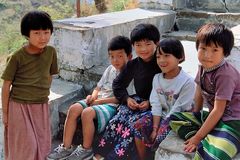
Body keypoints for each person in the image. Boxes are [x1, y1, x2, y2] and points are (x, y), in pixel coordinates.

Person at [47, 35, 133, 160]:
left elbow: (121, 98)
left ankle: (86, 149)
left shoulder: (129, 74)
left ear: (129, 56)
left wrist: (99, 102)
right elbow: (98, 87)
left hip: (113, 105)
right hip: (98, 100)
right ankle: (66, 147)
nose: (115, 60)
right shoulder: (110, 69)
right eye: (112, 56)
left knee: (87, 112)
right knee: (74, 108)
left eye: (120, 56)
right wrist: (92, 97)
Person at [169, 23, 240, 160]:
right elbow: (199, 91)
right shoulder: (203, 68)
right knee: (174, 119)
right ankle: (212, 135)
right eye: (203, 48)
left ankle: (223, 139)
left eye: (215, 50)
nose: (207, 55)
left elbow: (219, 110)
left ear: (224, 52)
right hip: (215, 117)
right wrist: (197, 114)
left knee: (213, 156)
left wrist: (197, 137)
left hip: (233, 121)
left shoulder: (225, 74)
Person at [94, 23, 161, 160]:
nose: (143, 49)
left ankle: (116, 156)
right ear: (133, 46)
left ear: (157, 43)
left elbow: (167, 89)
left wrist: (150, 102)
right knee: (117, 120)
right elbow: (118, 84)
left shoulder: (162, 63)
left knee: (132, 125)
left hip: (156, 107)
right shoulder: (133, 64)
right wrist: (126, 99)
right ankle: (100, 153)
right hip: (137, 102)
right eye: (138, 45)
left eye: (148, 44)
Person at [1, 10, 58, 160]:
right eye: (37, 33)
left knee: (42, 145)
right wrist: (6, 113)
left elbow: (50, 75)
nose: (43, 37)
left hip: (40, 105)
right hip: (19, 106)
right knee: (27, 147)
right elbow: (6, 85)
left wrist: (42, 94)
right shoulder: (17, 57)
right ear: (27, 34)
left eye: (46, 32)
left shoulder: (51, 52)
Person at [133, 38, 196, 160]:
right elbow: (155, 104)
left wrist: (160, 129)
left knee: (160, 136)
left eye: (166, 55)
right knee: (139, 126)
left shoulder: (187, 82)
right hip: (162, 115)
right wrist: (155, 128)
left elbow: (178, 109)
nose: (161, 60)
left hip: (179, 118)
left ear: (180, 57)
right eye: (158, 57)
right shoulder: (157, 78)